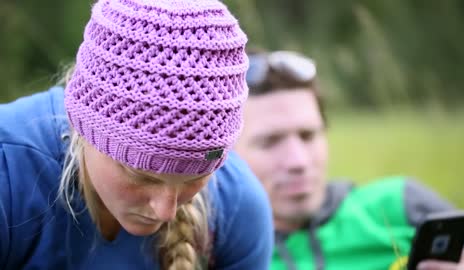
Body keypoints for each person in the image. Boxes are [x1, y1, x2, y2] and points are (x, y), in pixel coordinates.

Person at [0, 1, 274, 269]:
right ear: (85, 128)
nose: (165, 211)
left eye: (196, 177)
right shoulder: (9, 174)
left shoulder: (238, 205)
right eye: (142, 176)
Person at [234, 50, 464, 270]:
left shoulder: (400, 205)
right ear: (226, 157)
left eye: (308, 136)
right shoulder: (219, 254)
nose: (298, 161)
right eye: (270, 142)